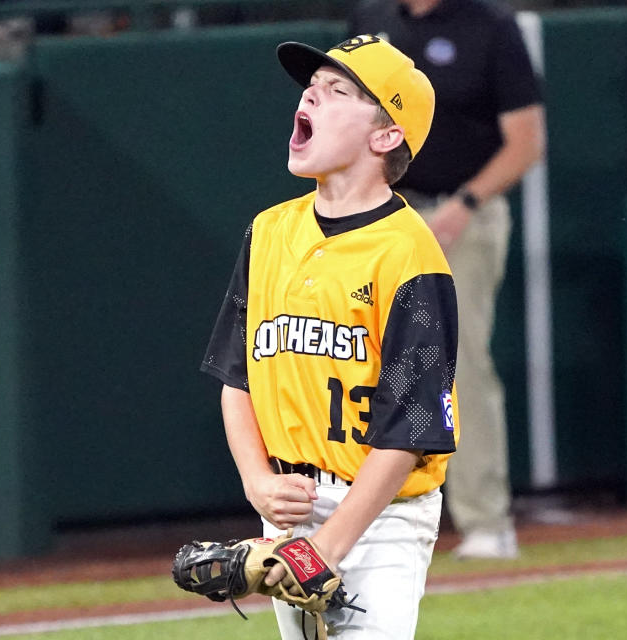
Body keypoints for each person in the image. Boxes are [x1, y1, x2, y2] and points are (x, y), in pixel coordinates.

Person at [200, 35, 460, 639]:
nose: (312, 94)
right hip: (286, 503)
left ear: (385, 136)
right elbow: (238, 377)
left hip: (378, 513)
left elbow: (410, 431)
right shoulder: (268, 232)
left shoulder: (409, 255)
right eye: (311, 86)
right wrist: (257, 481)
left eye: (337, 90)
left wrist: (330, 544)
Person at [348, 0, 545, 559]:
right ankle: (364, 520)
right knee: (361, 356)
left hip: (460, 215)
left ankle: (486, 521)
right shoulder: (371, 18)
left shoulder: (491, 26)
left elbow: (526, 140)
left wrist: (463, 204)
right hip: (382, 212)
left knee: (456, 363)